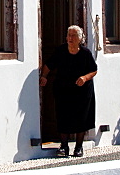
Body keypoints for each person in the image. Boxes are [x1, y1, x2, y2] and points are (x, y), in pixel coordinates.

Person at [39, 25, 98, 158]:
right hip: (63, 89)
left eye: (73, 35)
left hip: (82, 90)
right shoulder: (61, 51)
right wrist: (44, 76)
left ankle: (78, 147)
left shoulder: (85, 53)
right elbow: (49, 65)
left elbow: (94, 70)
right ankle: (64, 146)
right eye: (69, 35)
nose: (70, 38)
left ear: (80, 38)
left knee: (81, 117)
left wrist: (85, 78)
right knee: (63, 116)